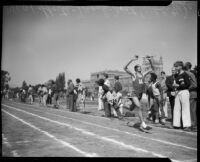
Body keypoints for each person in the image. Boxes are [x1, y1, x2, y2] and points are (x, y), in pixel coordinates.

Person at [123, 55, 154, 131]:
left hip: (139, 95)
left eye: (140, 66)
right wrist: (132, 60)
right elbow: (124, 67)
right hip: (134, 94)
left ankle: (122, 105)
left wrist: (150, 60)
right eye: (139, 67)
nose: (140, 67)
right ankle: (143, 124)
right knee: (139, 107)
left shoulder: (143, 74)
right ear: (136, 69)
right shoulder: (134, 75)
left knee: (131, 108)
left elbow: (152, 69)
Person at [173, 61, 191, 131]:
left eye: (177, 66)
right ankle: (176, 124)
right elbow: (176, 84)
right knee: (176, 108)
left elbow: (188, 84)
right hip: (178, 92)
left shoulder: (185, 74)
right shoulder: (177, 75)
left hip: (184, 91)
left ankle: (187, 125)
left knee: (185, 108)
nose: (176, 68)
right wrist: (175, 87)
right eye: (175, 66)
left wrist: (179, 85)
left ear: (180, 66)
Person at [184, 62, 197, 131]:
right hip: (189, 94)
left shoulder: (191, 74)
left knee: (192, 110)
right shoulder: (187, 74)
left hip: (192, 94)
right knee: (189, 110)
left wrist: (186, 88)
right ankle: (190, 125)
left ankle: (194, 126)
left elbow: (195, 85)